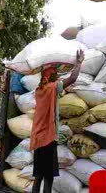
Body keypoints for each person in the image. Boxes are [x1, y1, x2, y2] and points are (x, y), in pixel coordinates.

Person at [30, 50, 85, 193]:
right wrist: (78, 63)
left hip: (38, 139)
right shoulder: (51, 88)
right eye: (56, 75)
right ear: (52, 77)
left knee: (38, 175)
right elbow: (72, 78)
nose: (57, 78)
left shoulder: (39, 90)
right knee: (48, 176)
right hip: (48, 139)